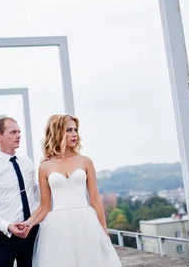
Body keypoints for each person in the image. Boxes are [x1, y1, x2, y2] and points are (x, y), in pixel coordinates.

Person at [17, 114, 122, 266]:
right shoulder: (45, 166)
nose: (74, 134)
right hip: (58, 227)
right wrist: (29, 223)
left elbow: (94, 198)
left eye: (75, 130)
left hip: (86, 222)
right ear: (57, 132)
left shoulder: (85, 161)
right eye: (69, 130)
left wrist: (103, 231)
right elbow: (45, 206)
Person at [0, 117, 40, 267]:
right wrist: (7, 226)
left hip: (31, 233)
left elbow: (36, 194)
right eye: (13, 132)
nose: (18, 136)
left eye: (19, 132)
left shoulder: (27, 162)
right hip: (4, 236)